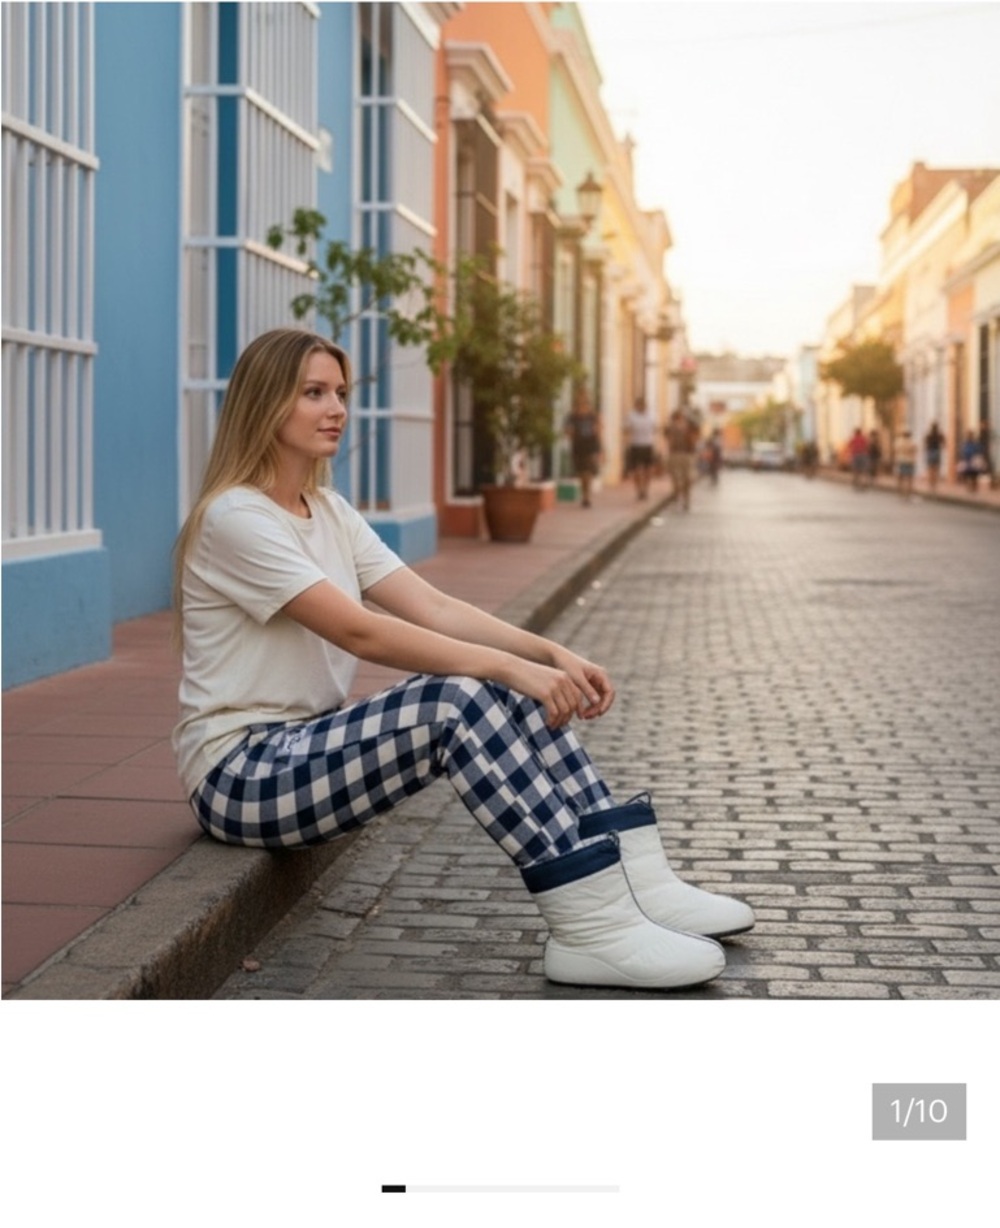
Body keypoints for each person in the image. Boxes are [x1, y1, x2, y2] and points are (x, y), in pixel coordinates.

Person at [171, 329, 754, 992]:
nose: (335, 407)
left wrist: (547, 652)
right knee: (463, 696)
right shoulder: (236, 518)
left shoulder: (327, 509)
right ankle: (592, 926)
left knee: (499, 687)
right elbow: (361, 633)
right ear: (265, 404)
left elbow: (433, 606)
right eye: (312, 393)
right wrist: (508, 668)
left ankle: (636, 884)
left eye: (339, 392)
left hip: (301, 747)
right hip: (239, 773)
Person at [563, 385, 603, 508]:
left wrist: (601, 448)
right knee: (581, 472)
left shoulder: (592, 415)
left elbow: (599, 430)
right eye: (581, 397)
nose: (583, 399)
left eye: (585, 397)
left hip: (590, 445)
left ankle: (587, 496)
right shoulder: (572, 416)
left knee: (588, 471)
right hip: (578, 445)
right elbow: (567, 431)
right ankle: (584, 492)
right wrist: (570, 433)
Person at [623, 395, 657, 501]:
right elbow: (626, 429)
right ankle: (639, 490)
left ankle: (645, 489)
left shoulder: (651, 415)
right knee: (637, 469)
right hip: (636, 444)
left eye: (642, 405)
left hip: (648, 444)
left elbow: (655, 428)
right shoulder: (631, 415)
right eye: (638, 405)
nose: (641, 407)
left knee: (648, 470)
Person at [665, 408, 696, 510]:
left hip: (685, 454)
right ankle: (678, 495)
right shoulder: (670, 428)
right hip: (675, 454)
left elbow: (693, 439)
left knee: (686, 478)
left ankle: (685, 499)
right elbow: (669, 439)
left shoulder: (688, 427)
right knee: (676, 478)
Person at [894, 427, 917, 500]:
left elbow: (895, 450)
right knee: (910, 478)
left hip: (901, 461)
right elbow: (915, 450)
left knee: (900, 477)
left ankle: (901, 492)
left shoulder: (898, 442)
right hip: (910, 461)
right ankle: (908, 493)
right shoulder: (912, 442)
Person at [924, 421, 943, 493]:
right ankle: (934, 483)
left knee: (930, 468)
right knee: (936, 468)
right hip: (937, 452)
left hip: (930, 452)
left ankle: (931, 483)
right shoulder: (939, 435)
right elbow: (943, 442)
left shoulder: (929, 435)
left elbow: (925, 443)